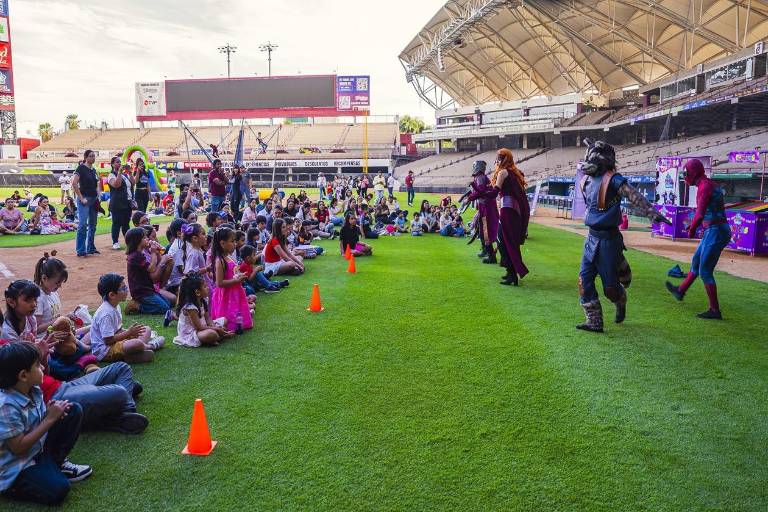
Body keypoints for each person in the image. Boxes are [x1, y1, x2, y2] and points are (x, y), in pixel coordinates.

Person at [574, 139, 670, 332]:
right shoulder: (585, 180)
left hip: (609, 241)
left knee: (610, 288)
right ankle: (594, 321)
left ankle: (620, 298)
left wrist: (653, 214)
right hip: (592, 237)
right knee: (584, 281)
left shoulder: (614, 179)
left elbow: (634, 196)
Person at [0, 342, 91, 505]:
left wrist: (50, 412)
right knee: (59, 489)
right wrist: (50, 419)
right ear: (23, 375)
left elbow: (36, 422)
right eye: (37, 365)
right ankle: (10, 488)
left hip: (36, 449)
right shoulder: (6, 406)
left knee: (72, 410)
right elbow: (18, 448)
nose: (42, 367)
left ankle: (53, 463)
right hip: (16, 466)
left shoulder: (32, 390)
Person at [665, 158, 731, 319]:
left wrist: (692, 229)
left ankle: (715, 310)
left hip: (716, 231)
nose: (684, 176)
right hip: (714, 230)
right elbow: (704, 213)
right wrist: (693, 226)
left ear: (692, 173)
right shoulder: (707, 184)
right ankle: (680, 291)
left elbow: (700, 214)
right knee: (696, 263)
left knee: (705, 271)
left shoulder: (704, 186)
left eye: (686, 173)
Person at [90, 273, 164, 364]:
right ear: (112, 295)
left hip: (115, 341)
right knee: (137, 343)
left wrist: (132, 332)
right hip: (105, 350)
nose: (127, 290)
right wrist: (129, 332)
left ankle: (135, 353)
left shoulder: (115, 306)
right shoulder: (106, 314)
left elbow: (118, 330)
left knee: (146, 330)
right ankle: (149, 346)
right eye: (123, 288)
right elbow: (108, 340)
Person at [491, 150, 531, 286]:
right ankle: (511, 273)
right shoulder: (515, 172)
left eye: (498, 158)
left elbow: (495, 192)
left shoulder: (503, 172)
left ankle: (512, 273)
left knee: (503, 242)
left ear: (503, 159)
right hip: (513, 212)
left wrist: (479, 194)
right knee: (508, 242)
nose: (496, 161)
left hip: (508, 211)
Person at [209, 227, 253, 333]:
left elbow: (232, 273)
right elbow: (219, 283)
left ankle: (239, 323)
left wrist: (239, 276)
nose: (235, 244)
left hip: (235, 290)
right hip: (226, 294)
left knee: (237, 309)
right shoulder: (220, 261)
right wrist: (236, 281)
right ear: (222, 243)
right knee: (230, 312)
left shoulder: (229, 257)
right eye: (232, 241)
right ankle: (232, 325)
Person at [173, 273, 231, 347]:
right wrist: (216, 329)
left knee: (224, 320)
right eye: (205, 286)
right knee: (212, 334)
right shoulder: (190, 307)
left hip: (203, 327)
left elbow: (207, 318)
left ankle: (215, 338)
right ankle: (214, 338)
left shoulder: (203, 300)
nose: (208, 288)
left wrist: (215, 327)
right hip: (191, 332)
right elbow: (198, 327)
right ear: (197, 292)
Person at [124, 228, 174, 315]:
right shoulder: (135, 256)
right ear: (137, 241)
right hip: (141, 291)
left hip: (148, 288)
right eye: (144, 237)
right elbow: (151, 269)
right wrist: (153, 253)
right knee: (164, 308)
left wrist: (156, 253)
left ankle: (141, 304)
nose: (147, 239)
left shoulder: (140, 254)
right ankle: (137, 306)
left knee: (168, 303)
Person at [467, 161, 501, 263]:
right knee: (482, 229)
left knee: (486, 231)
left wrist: (469, 198)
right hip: (485, 206)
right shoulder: (480, 177)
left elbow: (479, 191)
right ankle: (486, 250)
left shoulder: (480, 177)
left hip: (487, 207)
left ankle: (491, 255)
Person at [71, 149, 102, 257]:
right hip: (84, 199)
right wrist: (81, 197)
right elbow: (74, 183)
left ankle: (90, 248)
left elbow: (97, 183)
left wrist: (99, 194)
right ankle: (80, 250)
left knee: (93, 225)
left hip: (93, 199)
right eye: (91, 156)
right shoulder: (81, 168)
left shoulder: (93, 170)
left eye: (94, 156)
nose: (93, 158)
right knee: (83, 224)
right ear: (85, 157)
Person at [108, 160, 134, 250]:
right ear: (112, 164)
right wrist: (119, 173)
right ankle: (115, 242)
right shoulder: (111, 175)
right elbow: (116, 184)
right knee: (116, 223)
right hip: (117, 203)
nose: (119, 164)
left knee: (126, 224)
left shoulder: (125, 175)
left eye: (120, 162)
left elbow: (133, 183)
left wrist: (130, 173)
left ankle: (129, 242)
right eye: (117, 162)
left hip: (127, 202)